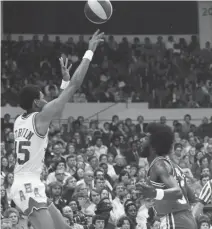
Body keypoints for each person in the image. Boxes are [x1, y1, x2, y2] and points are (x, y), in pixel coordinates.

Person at [11, 30, 104, 229]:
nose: (47, 98)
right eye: (43, 96)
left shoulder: (19, 120)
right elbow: (75, 86)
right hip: (27, 186)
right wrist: (89, 52)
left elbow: (58, 108)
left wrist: (64, 82)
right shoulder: (40, 117)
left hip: (29, 183)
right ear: (37, 102)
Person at [137, 123, 197, 229]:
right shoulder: (174, 166)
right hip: (187, 220)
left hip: (173, 220)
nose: (141, 140)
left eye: (146, 138)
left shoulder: (158, 165)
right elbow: (192, 197)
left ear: (155, 144)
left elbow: (178, 192)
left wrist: (154, 193)